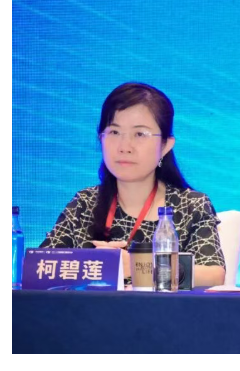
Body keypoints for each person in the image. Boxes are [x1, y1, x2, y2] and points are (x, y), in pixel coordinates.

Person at [40, 82, 226, 287]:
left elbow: (214, 274)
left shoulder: (191, 206)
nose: (124, 147)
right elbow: (38, 267)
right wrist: (96, 264)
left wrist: (139, 266)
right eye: (114, 132)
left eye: (140, 134)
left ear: (165, 145)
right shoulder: (85, 204)